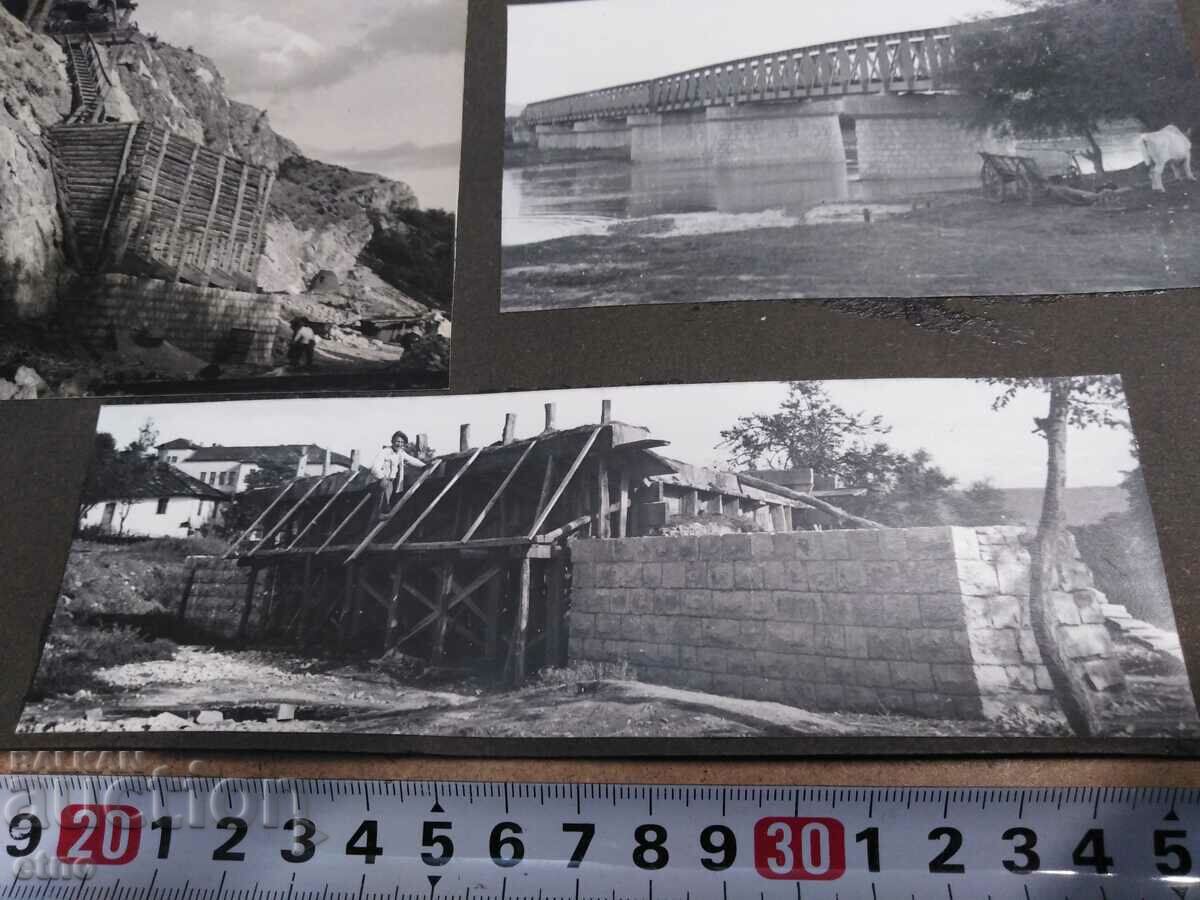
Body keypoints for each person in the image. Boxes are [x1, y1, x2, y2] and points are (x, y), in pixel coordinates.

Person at [369, 430, 426, 519]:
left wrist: (425, 466)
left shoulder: (401, 453)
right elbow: (374, 468)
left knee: (392, 491)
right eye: (397, 441)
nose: (399, 444)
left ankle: (385, 512)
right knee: (385, 488)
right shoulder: (385, 452)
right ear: (392, 442)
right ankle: (380, 513)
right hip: (378, 481)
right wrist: (382, 478)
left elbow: (412, 460)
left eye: (402, 442)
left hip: (391, 482)